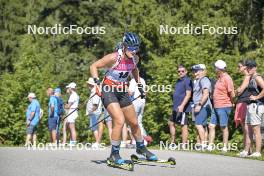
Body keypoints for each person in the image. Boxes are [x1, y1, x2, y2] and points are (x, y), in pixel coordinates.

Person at [90, 32, 157, 164]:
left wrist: (139, 86)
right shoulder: (114, 57)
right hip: (108, 90)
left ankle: (141, 148)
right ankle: (114, 154)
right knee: (119, 120)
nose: (134, 51)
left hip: (122, 91)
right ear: (125, 46)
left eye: (136, 48)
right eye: (131, 48)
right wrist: (97, 84)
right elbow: (93, 66)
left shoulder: (134, 59)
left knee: (134, 122)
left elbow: (134, 70)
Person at [208, 60, 235, 152]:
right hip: (216, 106)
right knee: (211, 126)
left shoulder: (227, 78)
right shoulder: (219, 78)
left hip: (224, 106)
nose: (215, 69)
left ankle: (224, 147)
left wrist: (232, 102)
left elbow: (232, 93)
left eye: (216, 67)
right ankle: (210, 146)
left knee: (223, 126)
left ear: (220, 69)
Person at [168, 65, 192, 148]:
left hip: (183, 108)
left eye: (182, 71)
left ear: (186, 72)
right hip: (175, 107)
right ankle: (173, 142)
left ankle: (184, 145)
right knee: (171, 123)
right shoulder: (178, 81)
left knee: (183, 125)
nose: (180, 73)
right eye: (179, 71)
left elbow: (188, 95)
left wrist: (182, 106)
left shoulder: (188, 80)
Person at [244, 60, 264, 157]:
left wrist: (257, 97)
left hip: (257, 105)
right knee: (248, 128)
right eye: (248, 67)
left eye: (251, 67)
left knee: (256, 129)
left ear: (255, 67)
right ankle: (247, 151)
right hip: (251, 105)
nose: (249, 69)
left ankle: (258, 152)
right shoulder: (251, 77)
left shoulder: (257, 77)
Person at [234, 60, 253, 157]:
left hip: (244, 102)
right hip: (243, 101)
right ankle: (248, 150)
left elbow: (240, 90)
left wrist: (237, 91)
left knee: (246, 127)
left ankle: (247, 150)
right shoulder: (247, 77)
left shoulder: (247, 77)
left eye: (239, 66)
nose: (238, 68)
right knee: (245, 127)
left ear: (245, 67)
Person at [191, 64, 212, 150]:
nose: (195, 73)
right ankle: (203, 144)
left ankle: (203, 145)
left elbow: (206, 93)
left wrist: (199, 105)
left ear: (203, 71)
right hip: (198, 105)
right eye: (194, 71)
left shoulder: (204, 79)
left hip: (202, 105)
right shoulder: (198, 80)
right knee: (203, 126)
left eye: (197, 71)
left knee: (198, 125)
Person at [86, 77, 103, 149]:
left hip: (95, 112)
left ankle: (98, 142)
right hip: (95, 112)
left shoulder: (95, 91)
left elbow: (95, 105)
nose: (87, 85)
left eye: (88, 84)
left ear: (91, 84)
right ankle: (97, 142)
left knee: (95, 127)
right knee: (94, 128)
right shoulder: (95, 90)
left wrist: (90, 111)